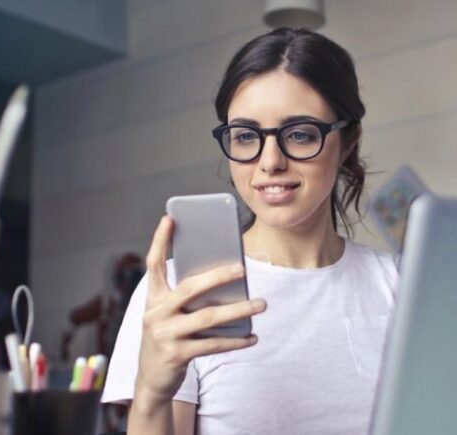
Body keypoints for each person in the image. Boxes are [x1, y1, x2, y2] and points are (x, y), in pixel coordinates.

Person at [102, 28, 399, 435]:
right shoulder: (180, 292)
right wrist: (152, 390)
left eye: (299, 134)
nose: (270, 162)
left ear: (348, 140)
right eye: (245, 136)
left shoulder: (400, 284)